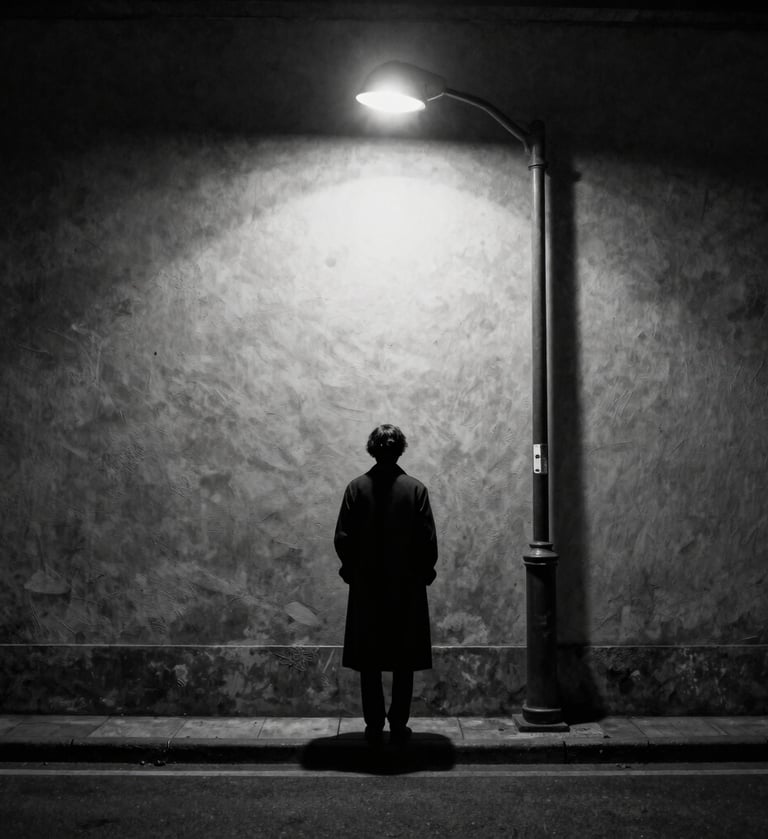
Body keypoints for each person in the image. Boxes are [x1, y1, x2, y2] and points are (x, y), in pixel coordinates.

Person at [334, 424, 438, 744]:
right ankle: (398, 720)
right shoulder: (415, 489)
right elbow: (427, 540)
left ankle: (374, 721)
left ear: (373, 449)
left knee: (370, 660)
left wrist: (351, 571)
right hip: (406, 588)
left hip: (367, 588)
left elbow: (342, 538)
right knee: (403, 658)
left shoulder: (356, 488)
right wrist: (424, 572)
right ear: (400, 449)